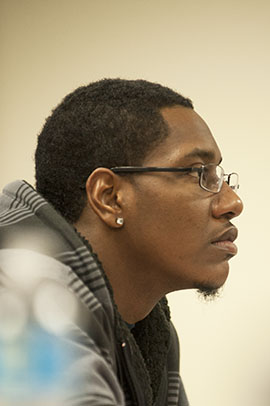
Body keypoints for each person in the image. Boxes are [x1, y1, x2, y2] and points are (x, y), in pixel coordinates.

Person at [0, 79, 243, 405]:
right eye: (197, 172)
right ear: (110, 197)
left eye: (218, 175)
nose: (232, 203)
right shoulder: (20, 305)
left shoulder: (149, 332)